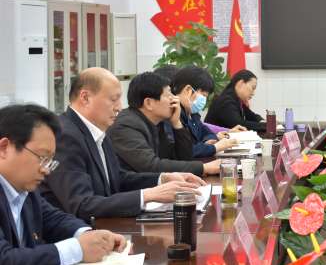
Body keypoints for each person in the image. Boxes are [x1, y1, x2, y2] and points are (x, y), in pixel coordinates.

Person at [39, 68, 205, 222]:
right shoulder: (65, 136)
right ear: (86, 98)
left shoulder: (96, 131)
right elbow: (82, 205)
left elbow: (117, 178)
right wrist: (147, 195)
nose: (119, 107)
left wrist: (163, 179)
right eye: (113, 100)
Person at [0, 104, 128, 265]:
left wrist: (91, 236)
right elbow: (3, 263)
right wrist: (76, 249)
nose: (46, 170)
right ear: (4, 148)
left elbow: (53, 219)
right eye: (41, 158)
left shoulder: (23, 187)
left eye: (50, 161)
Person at [106, 72, 222, 176]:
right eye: (168, 95)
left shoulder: (157, 124)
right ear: (148, 103)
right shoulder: (126, 126)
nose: (174, 100)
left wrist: (177, 124)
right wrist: (204, 168)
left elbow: (184, 158)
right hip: (132, 191)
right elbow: (153, 166)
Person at [176, 68, 253, 149]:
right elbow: (184, 149)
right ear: (188, 90)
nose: (204, 100)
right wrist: (214, 147)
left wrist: (207, 140)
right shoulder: (173, 114)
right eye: (203, 95)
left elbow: (206, 132)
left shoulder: (193, 113)